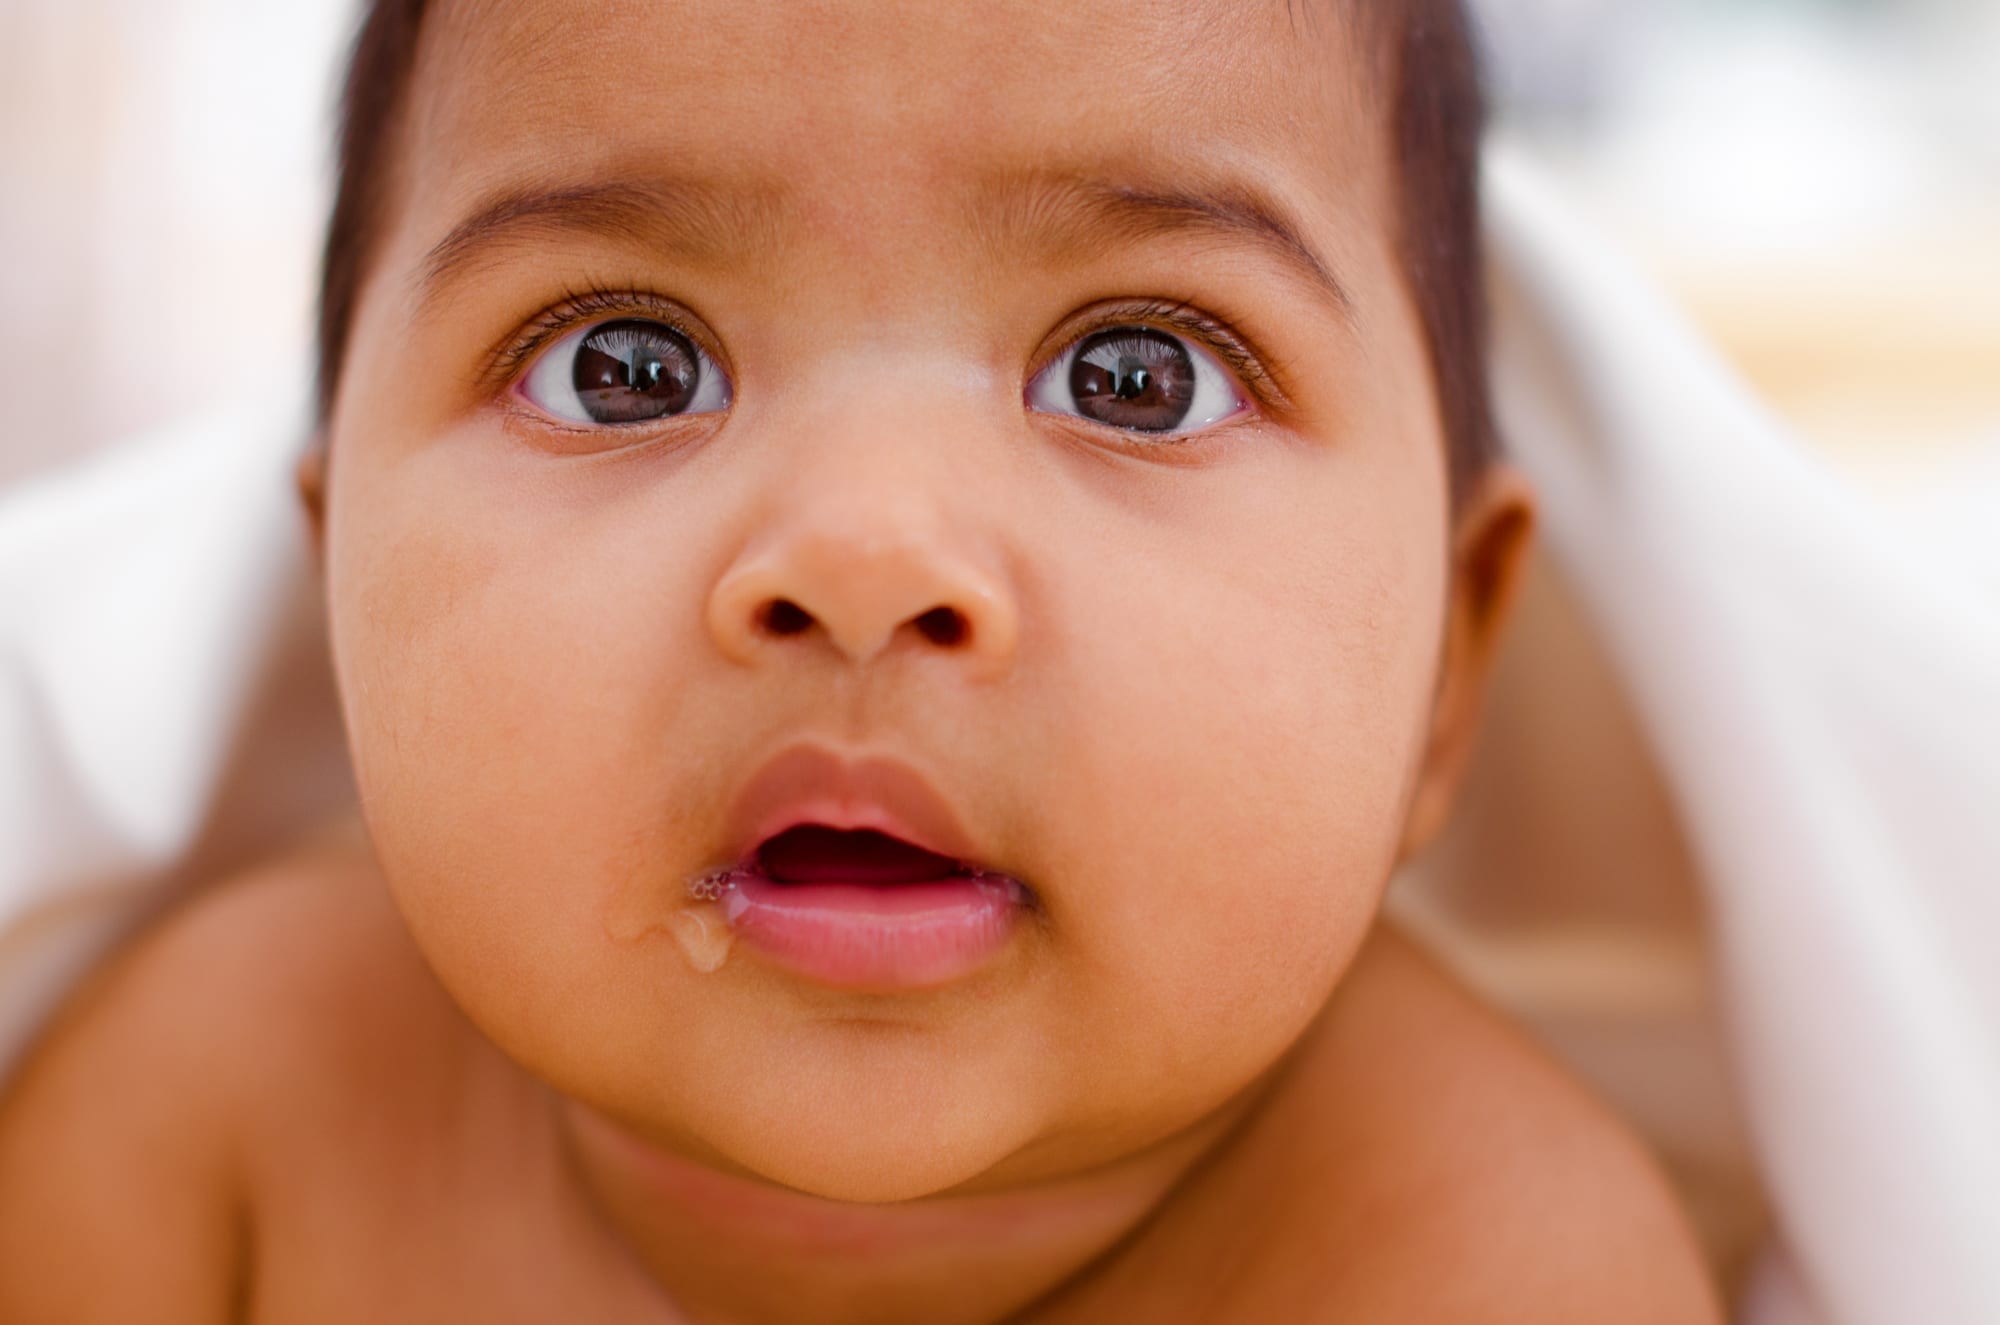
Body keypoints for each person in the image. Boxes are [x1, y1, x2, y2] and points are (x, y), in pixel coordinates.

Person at [0, 1, 1723, 1319]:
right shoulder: (220, 1117)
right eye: (623, 366)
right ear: (337, 597)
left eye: (1139, 374)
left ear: (1444, 672)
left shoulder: (1491, 1255)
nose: (864, 558)